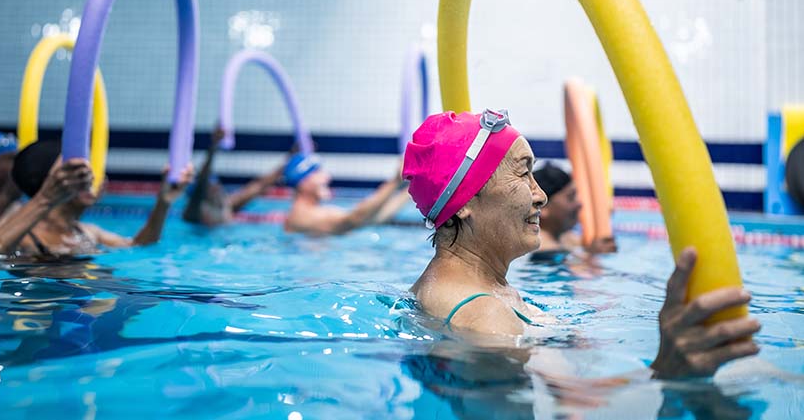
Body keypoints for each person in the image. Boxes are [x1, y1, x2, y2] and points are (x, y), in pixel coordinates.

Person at [402, 108, 761, 378]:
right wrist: (668, 372)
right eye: (523, 172)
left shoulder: (456, 292)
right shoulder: (485, 319)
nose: (540, 195)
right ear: (465, 202)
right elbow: (575, 409)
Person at [0, 140, 193, 258]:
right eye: (78, 173)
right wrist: (46, 199)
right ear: (52, 181)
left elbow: (139, 246)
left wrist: (163, 202)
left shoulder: (87, 232)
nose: (90, 178)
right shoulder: (25, 236)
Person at [284, 152, 411, 235]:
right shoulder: (302, 216)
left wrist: (411, 187)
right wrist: (395, 181)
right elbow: (354, 219)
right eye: (318, 173)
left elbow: (372, 219)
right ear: (302, 182)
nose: (326, 177)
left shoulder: (314, 211)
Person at [183, 126, 286, 227]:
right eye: (211, 186)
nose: (217, 187)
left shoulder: (227, 205)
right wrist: (213, 146)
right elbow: (203, 178)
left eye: (216, 183)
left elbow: (259, 185)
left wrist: (290, 160)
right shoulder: (193, 212)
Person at [531, 162, 616, 256]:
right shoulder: (541, 248)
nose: (579, 203)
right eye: (570, 197)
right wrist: (592, 256)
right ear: (542, 207)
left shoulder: (565, 238)